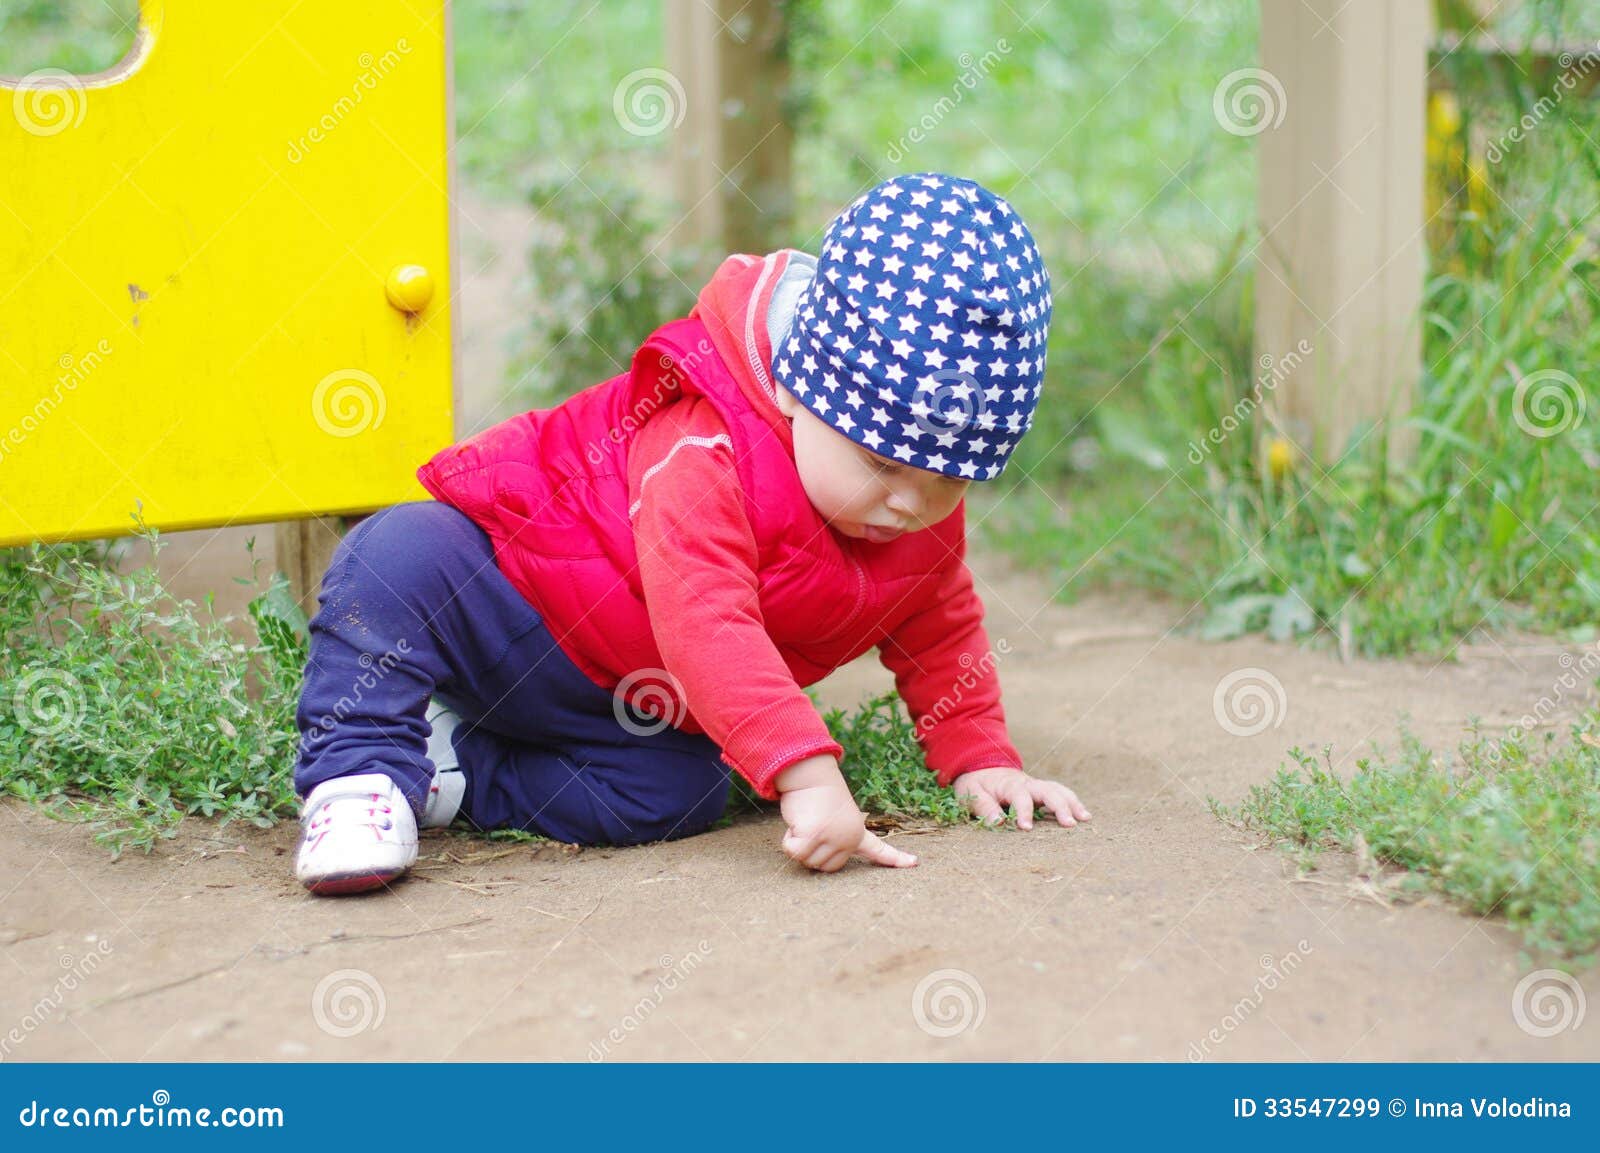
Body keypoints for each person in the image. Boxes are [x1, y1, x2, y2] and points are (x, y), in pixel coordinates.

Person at [291, 172, 1091, 895]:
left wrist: (981, 756)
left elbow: (942, 627)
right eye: (883, 462)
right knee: (398, 556)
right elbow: (704, 616)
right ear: (794, 389)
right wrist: (808, 776)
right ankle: (358, 771)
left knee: (681, 793)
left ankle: (449, 769)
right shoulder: (706, 445)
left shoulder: (918, 512)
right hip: (511, 597)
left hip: (622, 701)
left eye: (949, 476)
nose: (912, 503)